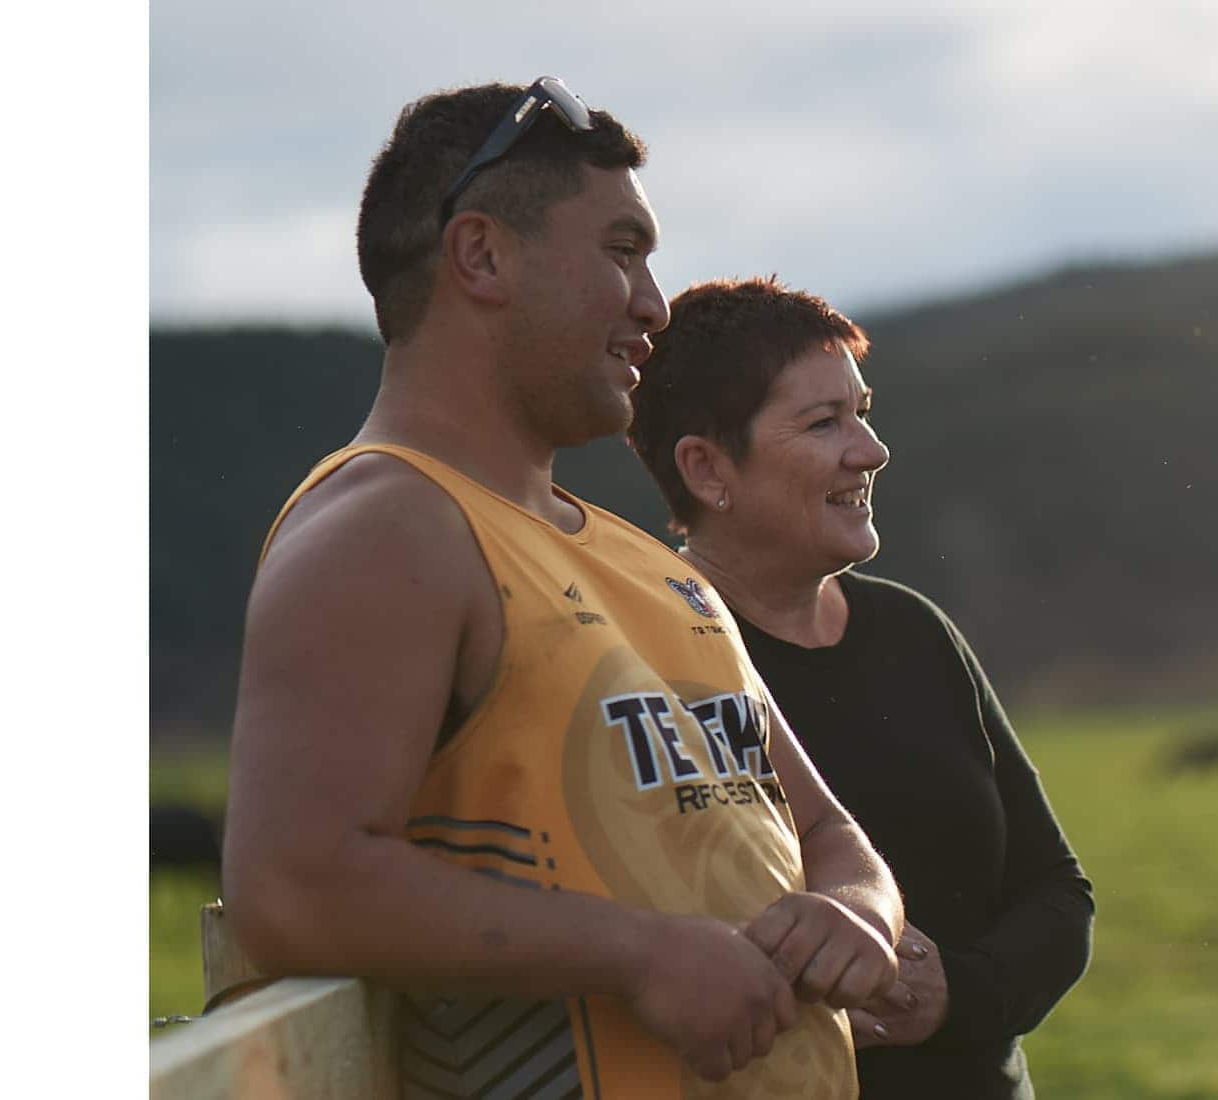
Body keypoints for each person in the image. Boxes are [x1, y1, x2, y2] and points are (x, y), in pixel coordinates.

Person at [221, 79, 904, 1100]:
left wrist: (855, 907)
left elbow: (830, 834)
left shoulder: (653, 565)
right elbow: (293, 885)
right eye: (622, 250)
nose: (653, 304)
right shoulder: (389, 524)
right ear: (482, 255)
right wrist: (641, 951)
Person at [628, 276, 1095, 1099]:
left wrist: (958, 993)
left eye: (863, 410)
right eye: (824, 423)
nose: (871, 450)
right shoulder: (646, 665)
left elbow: (1058, 893)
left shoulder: (916, 631)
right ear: (706, 469)